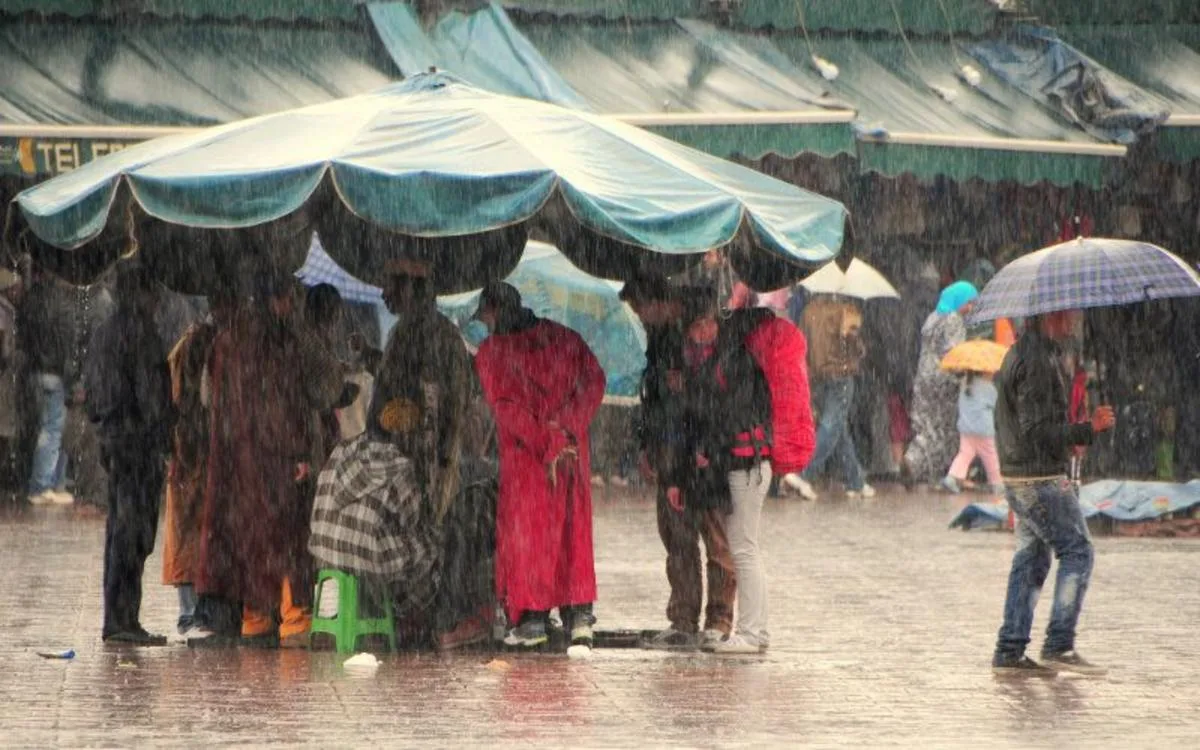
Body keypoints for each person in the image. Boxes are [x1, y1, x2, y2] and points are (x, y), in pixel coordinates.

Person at [196, 272, 344, 648]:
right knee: (288, 537)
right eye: (290, 298)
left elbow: (207, 398)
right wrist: (298, 451)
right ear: (279, 300)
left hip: (236, 459)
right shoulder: (283, 340)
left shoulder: (226, 340)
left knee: (249, 534)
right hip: (277, 458)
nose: (293, 306)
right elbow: (311, 394)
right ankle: (295, 620)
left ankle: (255, 618)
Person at [669, 290, 815, 654]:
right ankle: (756, 631)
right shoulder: (728, 357)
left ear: (714, 323)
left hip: (747, 462)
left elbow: (732, 414)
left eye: (703, 326)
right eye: (693, 329)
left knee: (744, 549)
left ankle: (751, 633)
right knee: (745, 547)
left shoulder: (732, 361)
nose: (698, 334)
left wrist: (711, 448)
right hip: (747, 460)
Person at [366, 258, 493, 650]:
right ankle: (422, 616)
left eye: (391, 286)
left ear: (412, 290)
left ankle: (435, 618)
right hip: (412, 456)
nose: (384, 294)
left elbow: (440, 402)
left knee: (430, 534)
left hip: (428, 459)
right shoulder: (409, 333)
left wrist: (435, 451)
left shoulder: (431, 335)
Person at [474, 282, 605, 649]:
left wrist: (547, 441)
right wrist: (565, 429)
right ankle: (579, 616)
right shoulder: (566, 339)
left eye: (485, 318)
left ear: (494, 311)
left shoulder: (492, 352)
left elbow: (507, 410)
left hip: (528, 462)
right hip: (569, 457)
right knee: (572, 536)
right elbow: (594, 382)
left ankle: (533, 620)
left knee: (530, 539)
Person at [991, 310, 1115, 674]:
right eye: (1068, 313)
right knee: (1078, 551)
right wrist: (1087, 430)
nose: (1074, 318)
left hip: (1019, 475)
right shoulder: (1037, 362)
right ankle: (1059, 644)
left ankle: (1010, 650)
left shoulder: (1022, 353)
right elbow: (1037, 431)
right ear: (1051, 315)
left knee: (1032, 558)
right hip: (1040, 478)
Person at [620, 276, 736, 652]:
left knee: (716, 539)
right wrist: (649, 446)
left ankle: (718, 619)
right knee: (678, 538)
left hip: (708, 458)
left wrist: (695, 456)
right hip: (673, 454)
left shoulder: (710, 346)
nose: (640, 316)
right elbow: (657, 403)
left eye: (641, 308)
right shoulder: (663, 342)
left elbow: (698, 408)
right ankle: (684, 619)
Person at [85, 261, 176, 644]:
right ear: (141, 294)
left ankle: (118, 618)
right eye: (153, 293)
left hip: (113, 440)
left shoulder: (103, 332)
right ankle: (124, 621)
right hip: (138, 444)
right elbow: (152, 397)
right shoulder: (143, 335)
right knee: (134, 532)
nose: (158, 301)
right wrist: (166, 437)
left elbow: (92, 397)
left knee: (119, 529)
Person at [161, 292, 233, 638]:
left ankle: (194, 610)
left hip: (194, 449)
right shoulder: (201, 344)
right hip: (193, 450)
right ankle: (192, 611)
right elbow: (188, 398)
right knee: (193, 530)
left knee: (193, 530)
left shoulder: (199, 342)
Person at [789, 296, 873, 500]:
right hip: (840, 376)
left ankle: (856, 481)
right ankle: (802, 473)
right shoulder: (846, 312)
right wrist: (854, 338)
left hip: (818, 377)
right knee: (831, 426)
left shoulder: (808, 311)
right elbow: (858, 350)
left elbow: (801, 345)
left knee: (839, 430)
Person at [904, 281, 978, 484]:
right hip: (944, 380)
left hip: (924, 377)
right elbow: (954, 353)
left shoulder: (934, 317)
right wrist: (967, 369)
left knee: (925, 425)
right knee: (944, 428)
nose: (970, 308)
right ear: (959, 300)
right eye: (969, 302)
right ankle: (936, 471)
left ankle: (914, 462)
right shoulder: (953, 320)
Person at [19, 268, 74, 505]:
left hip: (33, 370)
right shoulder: (61, 303)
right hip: (53, 372)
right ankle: (42, 485)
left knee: (41, 427)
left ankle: (49, 481)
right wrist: (71, 375)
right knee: (52, 429)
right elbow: (65, 342)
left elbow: (23, 335)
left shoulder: (30, 300)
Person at [941, 372, 1003, 496]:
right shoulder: (989, 388)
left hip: (966, 428)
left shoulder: (965, 384)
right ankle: (997, 483)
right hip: (983, 429)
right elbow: (995, 404)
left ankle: (952, 477)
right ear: (984, 373)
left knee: (965, 454)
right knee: (990, 457)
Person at [0, 269, 24, 498]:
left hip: (6, 377)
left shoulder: (9, 310)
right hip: (4, 378)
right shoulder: (3, 312)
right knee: (4, 429)